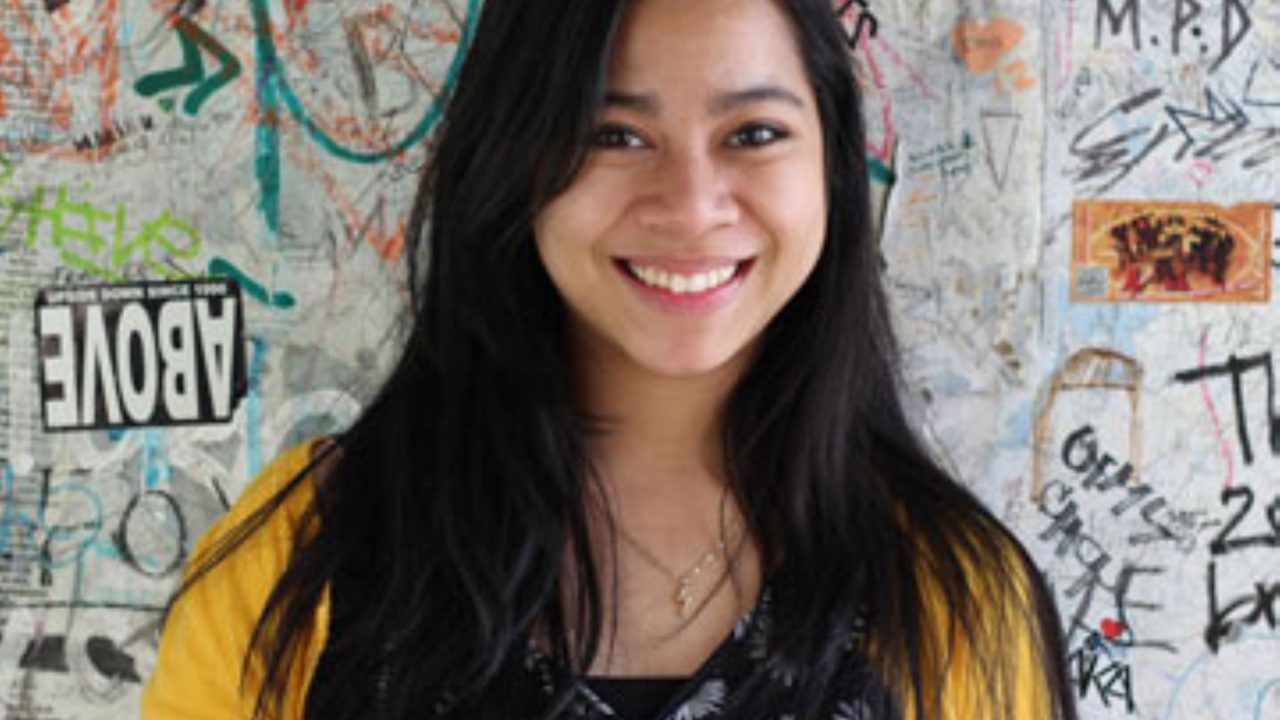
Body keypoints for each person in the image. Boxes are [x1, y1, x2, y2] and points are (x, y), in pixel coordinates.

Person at [142, 0, 1078, 718]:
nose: (692, 204)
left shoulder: (954, 596)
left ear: (829, 165)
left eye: (753, 134)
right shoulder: (305, 554)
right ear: (515, 161)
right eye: (615, 135)